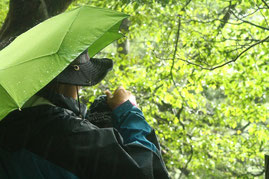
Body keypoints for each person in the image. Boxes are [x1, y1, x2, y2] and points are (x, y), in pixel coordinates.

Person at [0, 50, 169, 179]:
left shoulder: (10, 123)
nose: (80, 89)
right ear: (66, 82)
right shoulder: (65, 132)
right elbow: (147, 171)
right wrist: (128, 110)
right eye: (79, 83)